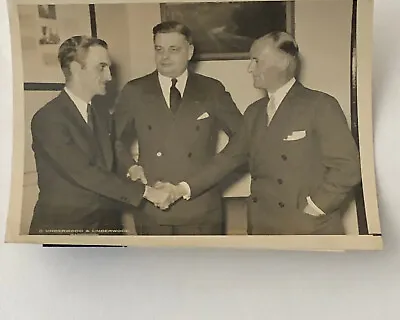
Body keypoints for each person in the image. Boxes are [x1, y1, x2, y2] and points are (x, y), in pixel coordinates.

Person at [173, 31, 362, 235]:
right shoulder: (254, 112)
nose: (249, 68)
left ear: (282, 62)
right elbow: (227, 158)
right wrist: (181, 188)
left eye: (256, 61)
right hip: (262, 226)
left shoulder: (321, 106)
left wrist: (317, 207)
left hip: (308, 228)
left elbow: (348, 167)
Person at [29, 35, 171, 235]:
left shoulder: (102, 115)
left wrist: (132, 167)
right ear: (77, 69)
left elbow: (113, 147)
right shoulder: (48, 119)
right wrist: (147, 193)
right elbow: (84, 172)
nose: (109, 77)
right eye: (101, 67)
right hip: (65, 229)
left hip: (105, 224)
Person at [113, 21, 243, 235]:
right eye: (159, 49)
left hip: (200, 206)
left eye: (173, 50)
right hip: (151, 207)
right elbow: (110, 139)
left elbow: (242, 140)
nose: (164, 57)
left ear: (189, 52)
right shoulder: (135, 91)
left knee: (202, 268)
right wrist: (131, 167)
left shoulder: (212, 90)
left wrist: (199, 181)